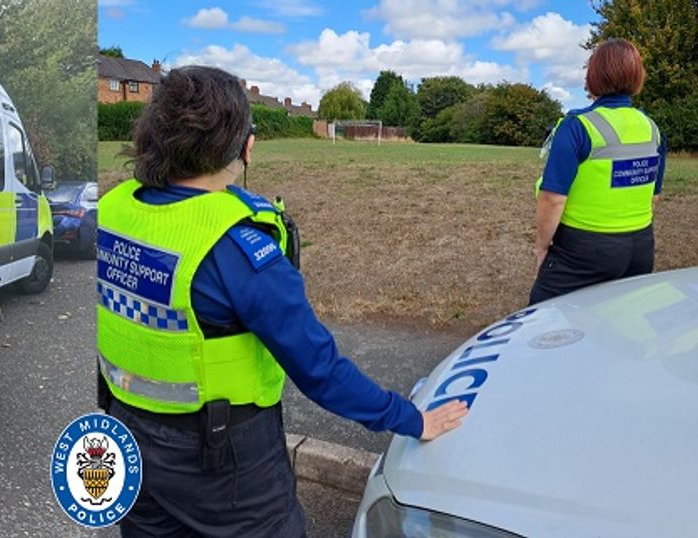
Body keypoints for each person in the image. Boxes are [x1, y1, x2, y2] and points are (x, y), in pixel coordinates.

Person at [95, 65, 468, 537]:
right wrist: (413, 419)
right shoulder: (237, 247)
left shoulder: (111, 210)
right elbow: (320, 370)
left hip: (126, 435)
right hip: (223, 461)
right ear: (245, 146)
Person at [530, 38, 666, 304]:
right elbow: (653, 196)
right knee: (622, 322)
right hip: (641, 247)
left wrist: (542, 247)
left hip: (583, 249)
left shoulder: (576, 126)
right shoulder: (652, 128)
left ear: (593, 76)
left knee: (544, 321)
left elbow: (553, 198)